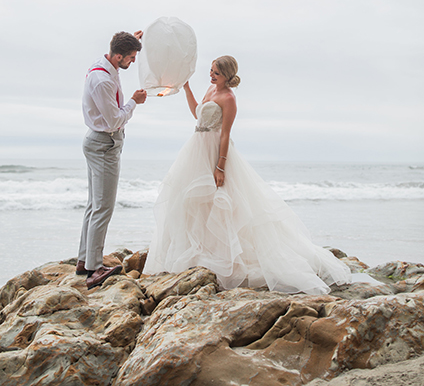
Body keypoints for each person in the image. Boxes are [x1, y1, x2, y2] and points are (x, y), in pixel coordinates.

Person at [145, 56, 351, 294]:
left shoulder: (229, 98)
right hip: (196, 149)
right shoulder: (211, 89)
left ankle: (228, 259)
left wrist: (220, 166)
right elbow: (197, 115)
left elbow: (224, 134)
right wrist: (188, 88)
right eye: (211, 71)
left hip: (214, 152)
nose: (211, 76)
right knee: (193, 203)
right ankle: (200, 255)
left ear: (227, 75)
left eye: (216, 73)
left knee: (221, 204)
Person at [77, 31, 147, 289]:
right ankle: (94, 269)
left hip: (96, 141)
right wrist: (134, 102)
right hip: (104, 144)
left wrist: (131, 36)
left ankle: (85, 260)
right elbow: (115, 119)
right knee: (103, 207)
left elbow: (120, 47)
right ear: (118, 56)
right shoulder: (103, 81)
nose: (132, 62)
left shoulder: (105, 63)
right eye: (130, 57)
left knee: (93, 204)